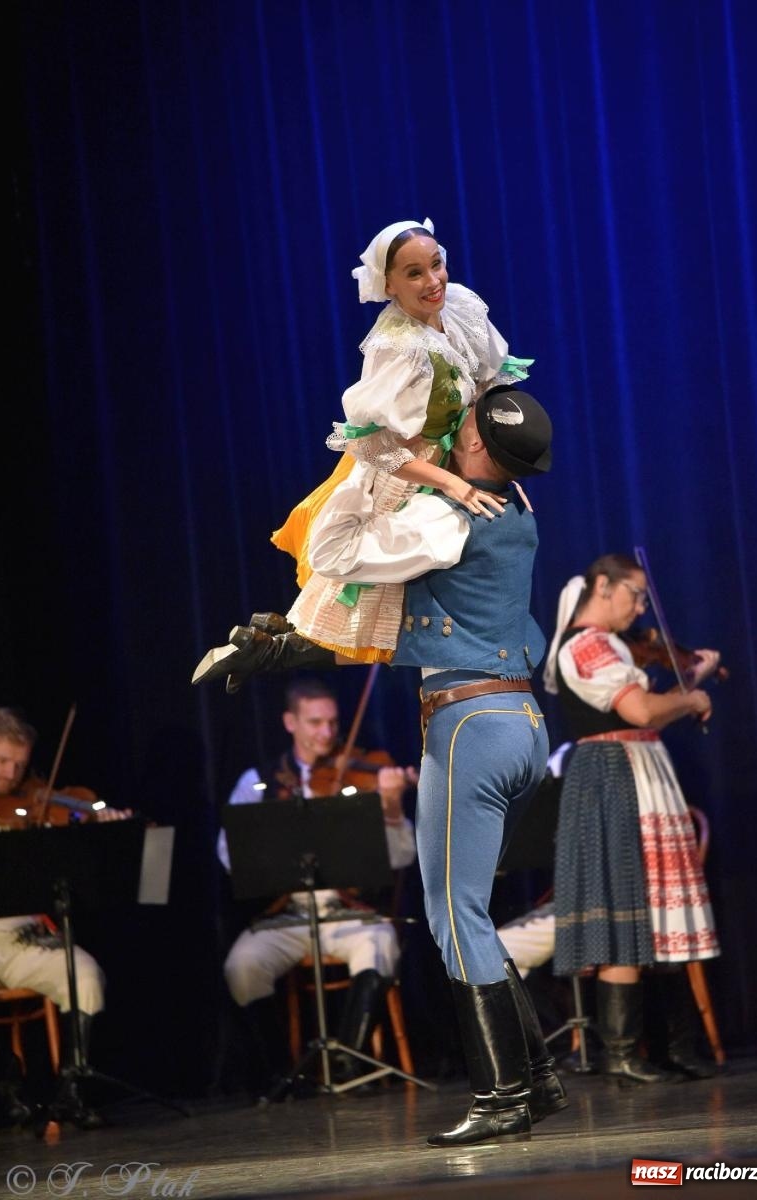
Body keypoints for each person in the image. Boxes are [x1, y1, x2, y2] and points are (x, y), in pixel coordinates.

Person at [303, 389, 567, 1147]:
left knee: (454, 920)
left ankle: (502, 1097)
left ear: (478, 448)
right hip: (517, 721)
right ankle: (537, 1081)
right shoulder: (512, 499)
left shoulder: (443, 517)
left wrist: (371, 461)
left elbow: (330, 551)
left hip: (468, 723)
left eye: (463, 428)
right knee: (472, 916)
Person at [192, 217, 528, 687]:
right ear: (388, 284)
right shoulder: (397, 346)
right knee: (368, 623)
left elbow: (492, 379)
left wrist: (500, 459)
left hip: (455, 458)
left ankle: (267, 644)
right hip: (401, 472)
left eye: (436, 265)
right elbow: (371, 443)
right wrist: (453, 481)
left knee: (371, 624)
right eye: (414, 273)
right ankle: (266, 650)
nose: (433, 281)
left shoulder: (462, 306)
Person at [543, 556, 721, 1083]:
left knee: (655, 914)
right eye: (635, 595)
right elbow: (641, 711)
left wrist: (688, 681)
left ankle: (671, 1048)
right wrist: (689, 697)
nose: (642, 608)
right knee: (627, 905)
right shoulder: (586, 643)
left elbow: (647, 706)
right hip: (613, 777)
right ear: (603, 585)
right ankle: (621, 1052)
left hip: (638, 771)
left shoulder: (613, 644)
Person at [218, 678, 417, 1093]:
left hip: (350, 913)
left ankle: (348, 1061)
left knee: (379, 944)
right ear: (290, 722)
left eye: (332, 722)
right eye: (315, 723)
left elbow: (402, 857)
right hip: (286, 916)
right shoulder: (258, 781)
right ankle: (281, 1073)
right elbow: (228, 851)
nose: (327, 733)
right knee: (242, 966)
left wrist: (393, 805)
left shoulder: (367, 770)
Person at [0, 707, 129, 1129]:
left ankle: (71, 1090)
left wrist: (102, 825)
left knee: (84, 975)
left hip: (26, 940)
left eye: (19, 764)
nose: (11, 775)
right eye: (1, 761)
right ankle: (7, 1087)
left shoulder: (31, 806)